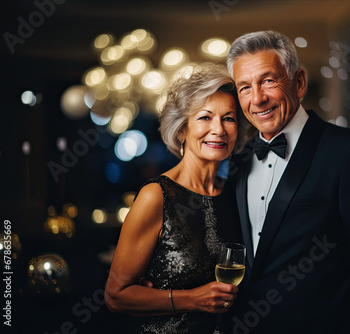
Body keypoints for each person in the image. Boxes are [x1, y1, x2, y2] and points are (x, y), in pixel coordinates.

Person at [224, 31, 350, 333]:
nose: (257, 98)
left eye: (268, 80)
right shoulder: (237, 163)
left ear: (299, 82)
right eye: (244, 87)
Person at [104, 63, 247, 333]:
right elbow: (116, 296)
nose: (218, 129)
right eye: (205, 117)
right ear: (182, 129)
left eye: (228, 118)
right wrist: (193, 299)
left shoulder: (236, 191)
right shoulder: (156, 195)